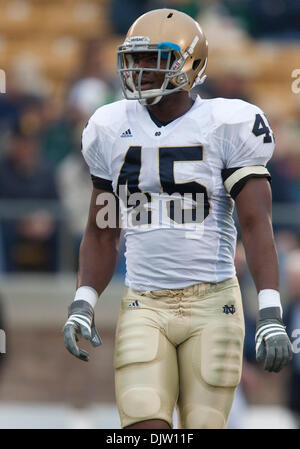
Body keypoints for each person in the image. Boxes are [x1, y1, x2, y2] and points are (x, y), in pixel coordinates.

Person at [62, 8, 293, 429]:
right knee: (142, 427)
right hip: (143, 301)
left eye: (155, 58)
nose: (140, 69)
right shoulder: (109, 125)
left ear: (190, 64)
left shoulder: (229, 123)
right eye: (135, 58)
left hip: (213, 304)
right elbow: (101, 230)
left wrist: (271, 310)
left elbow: (257, 223)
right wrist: (84, 301)